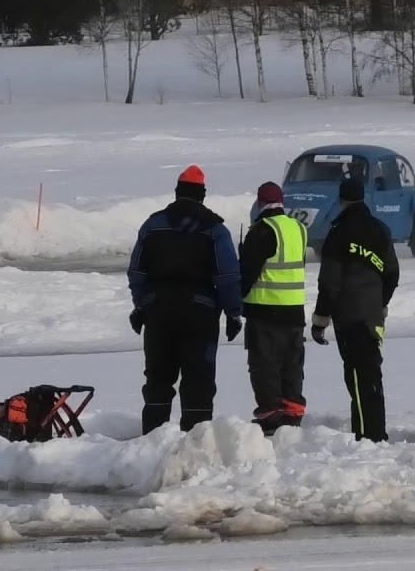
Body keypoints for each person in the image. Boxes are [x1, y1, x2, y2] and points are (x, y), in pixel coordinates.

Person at [128, 165, 242, 435]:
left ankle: (153, 438)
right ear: (202, 195)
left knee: (158, 376)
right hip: (200, 313)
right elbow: (227, 275)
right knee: (198, 378)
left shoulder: (153, 225)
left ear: (177, 192)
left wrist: (141, 305)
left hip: (158, 310)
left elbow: (137, 271)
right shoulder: (214, 229)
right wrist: (233, 312)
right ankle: (196, 440)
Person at [310, 178, 400, 443]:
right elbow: (392, 274)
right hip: (372, 315)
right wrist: (379, 302)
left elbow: (329, 282)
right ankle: (375, 433)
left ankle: (366, 437)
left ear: (341, 200)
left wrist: (320, 320)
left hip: (348, 316)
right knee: (372, 373)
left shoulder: (338, 232)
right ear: (363, 198)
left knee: (358, 376)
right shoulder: (380, 229)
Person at [238, 181, 310, 436]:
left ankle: (270, 414)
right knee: (291, 365)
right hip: (294, 311)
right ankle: (293, 411)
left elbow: (246, 275)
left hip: (265, 311)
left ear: (259, 203)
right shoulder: (299, 229)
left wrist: (235, 302)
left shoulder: (262, 231)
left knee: (264, 365)